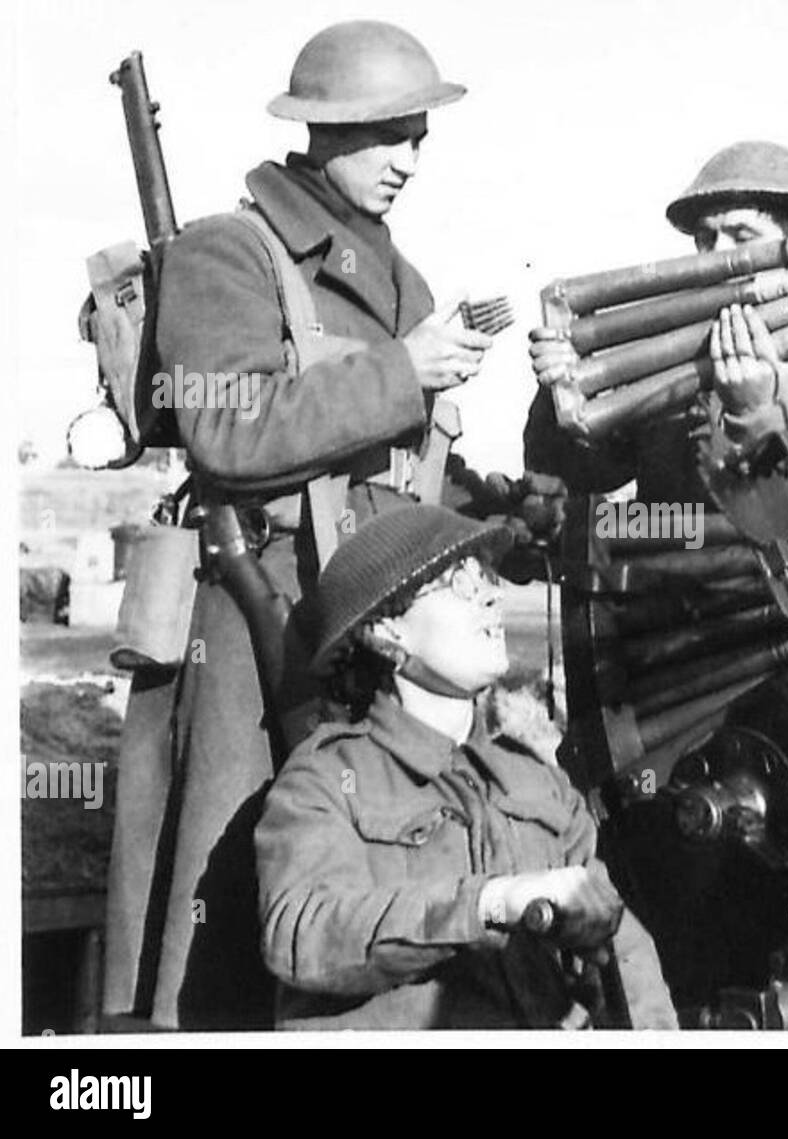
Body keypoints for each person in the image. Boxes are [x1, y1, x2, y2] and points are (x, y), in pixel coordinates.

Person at [103, 21, 529, 1030]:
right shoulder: (229, 252)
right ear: (323, 132)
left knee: (365, 886)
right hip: (257, 634)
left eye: (419, 135)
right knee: (229, 900)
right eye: (388, 136)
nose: (410, 160)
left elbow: (396, 475)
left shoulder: (404, 283)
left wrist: (501, 514)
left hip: (364, 640)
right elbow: (223, 429)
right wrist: (402, 371)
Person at [255, 505, 678, 1029]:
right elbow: (302, 933)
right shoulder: (326, 780)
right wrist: (489, 904)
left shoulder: (537, 781)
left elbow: (624, 950)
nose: (492, 594)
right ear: (387, 632)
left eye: (489, 577)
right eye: (459, 582)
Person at [524, 140, 788, 520]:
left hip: (774, 574)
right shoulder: (661, 359)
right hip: (665, 562)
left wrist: (758, 413)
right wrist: (563, 387)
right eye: (706, 238)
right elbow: (575, 476)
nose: (719, 253)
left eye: (744, 236)